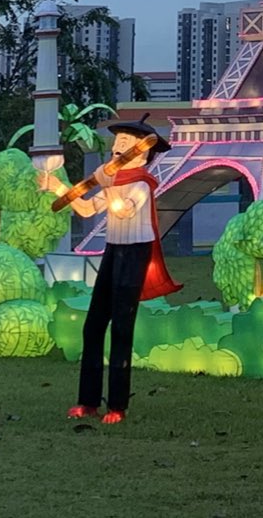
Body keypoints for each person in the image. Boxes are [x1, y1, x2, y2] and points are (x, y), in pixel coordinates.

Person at [62, 118, 180, 425]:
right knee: (93, 325)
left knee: (121, 329)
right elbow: (88, 209)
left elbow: (124, 210)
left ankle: (117, 405)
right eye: (116, 145)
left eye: (123, 146)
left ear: (140, 152)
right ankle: (87, 401)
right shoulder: (112, 180)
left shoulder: (140, 184)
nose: (116, 150)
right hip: (113, 251)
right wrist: (59, 188)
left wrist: (107, 184)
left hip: (135, 252)